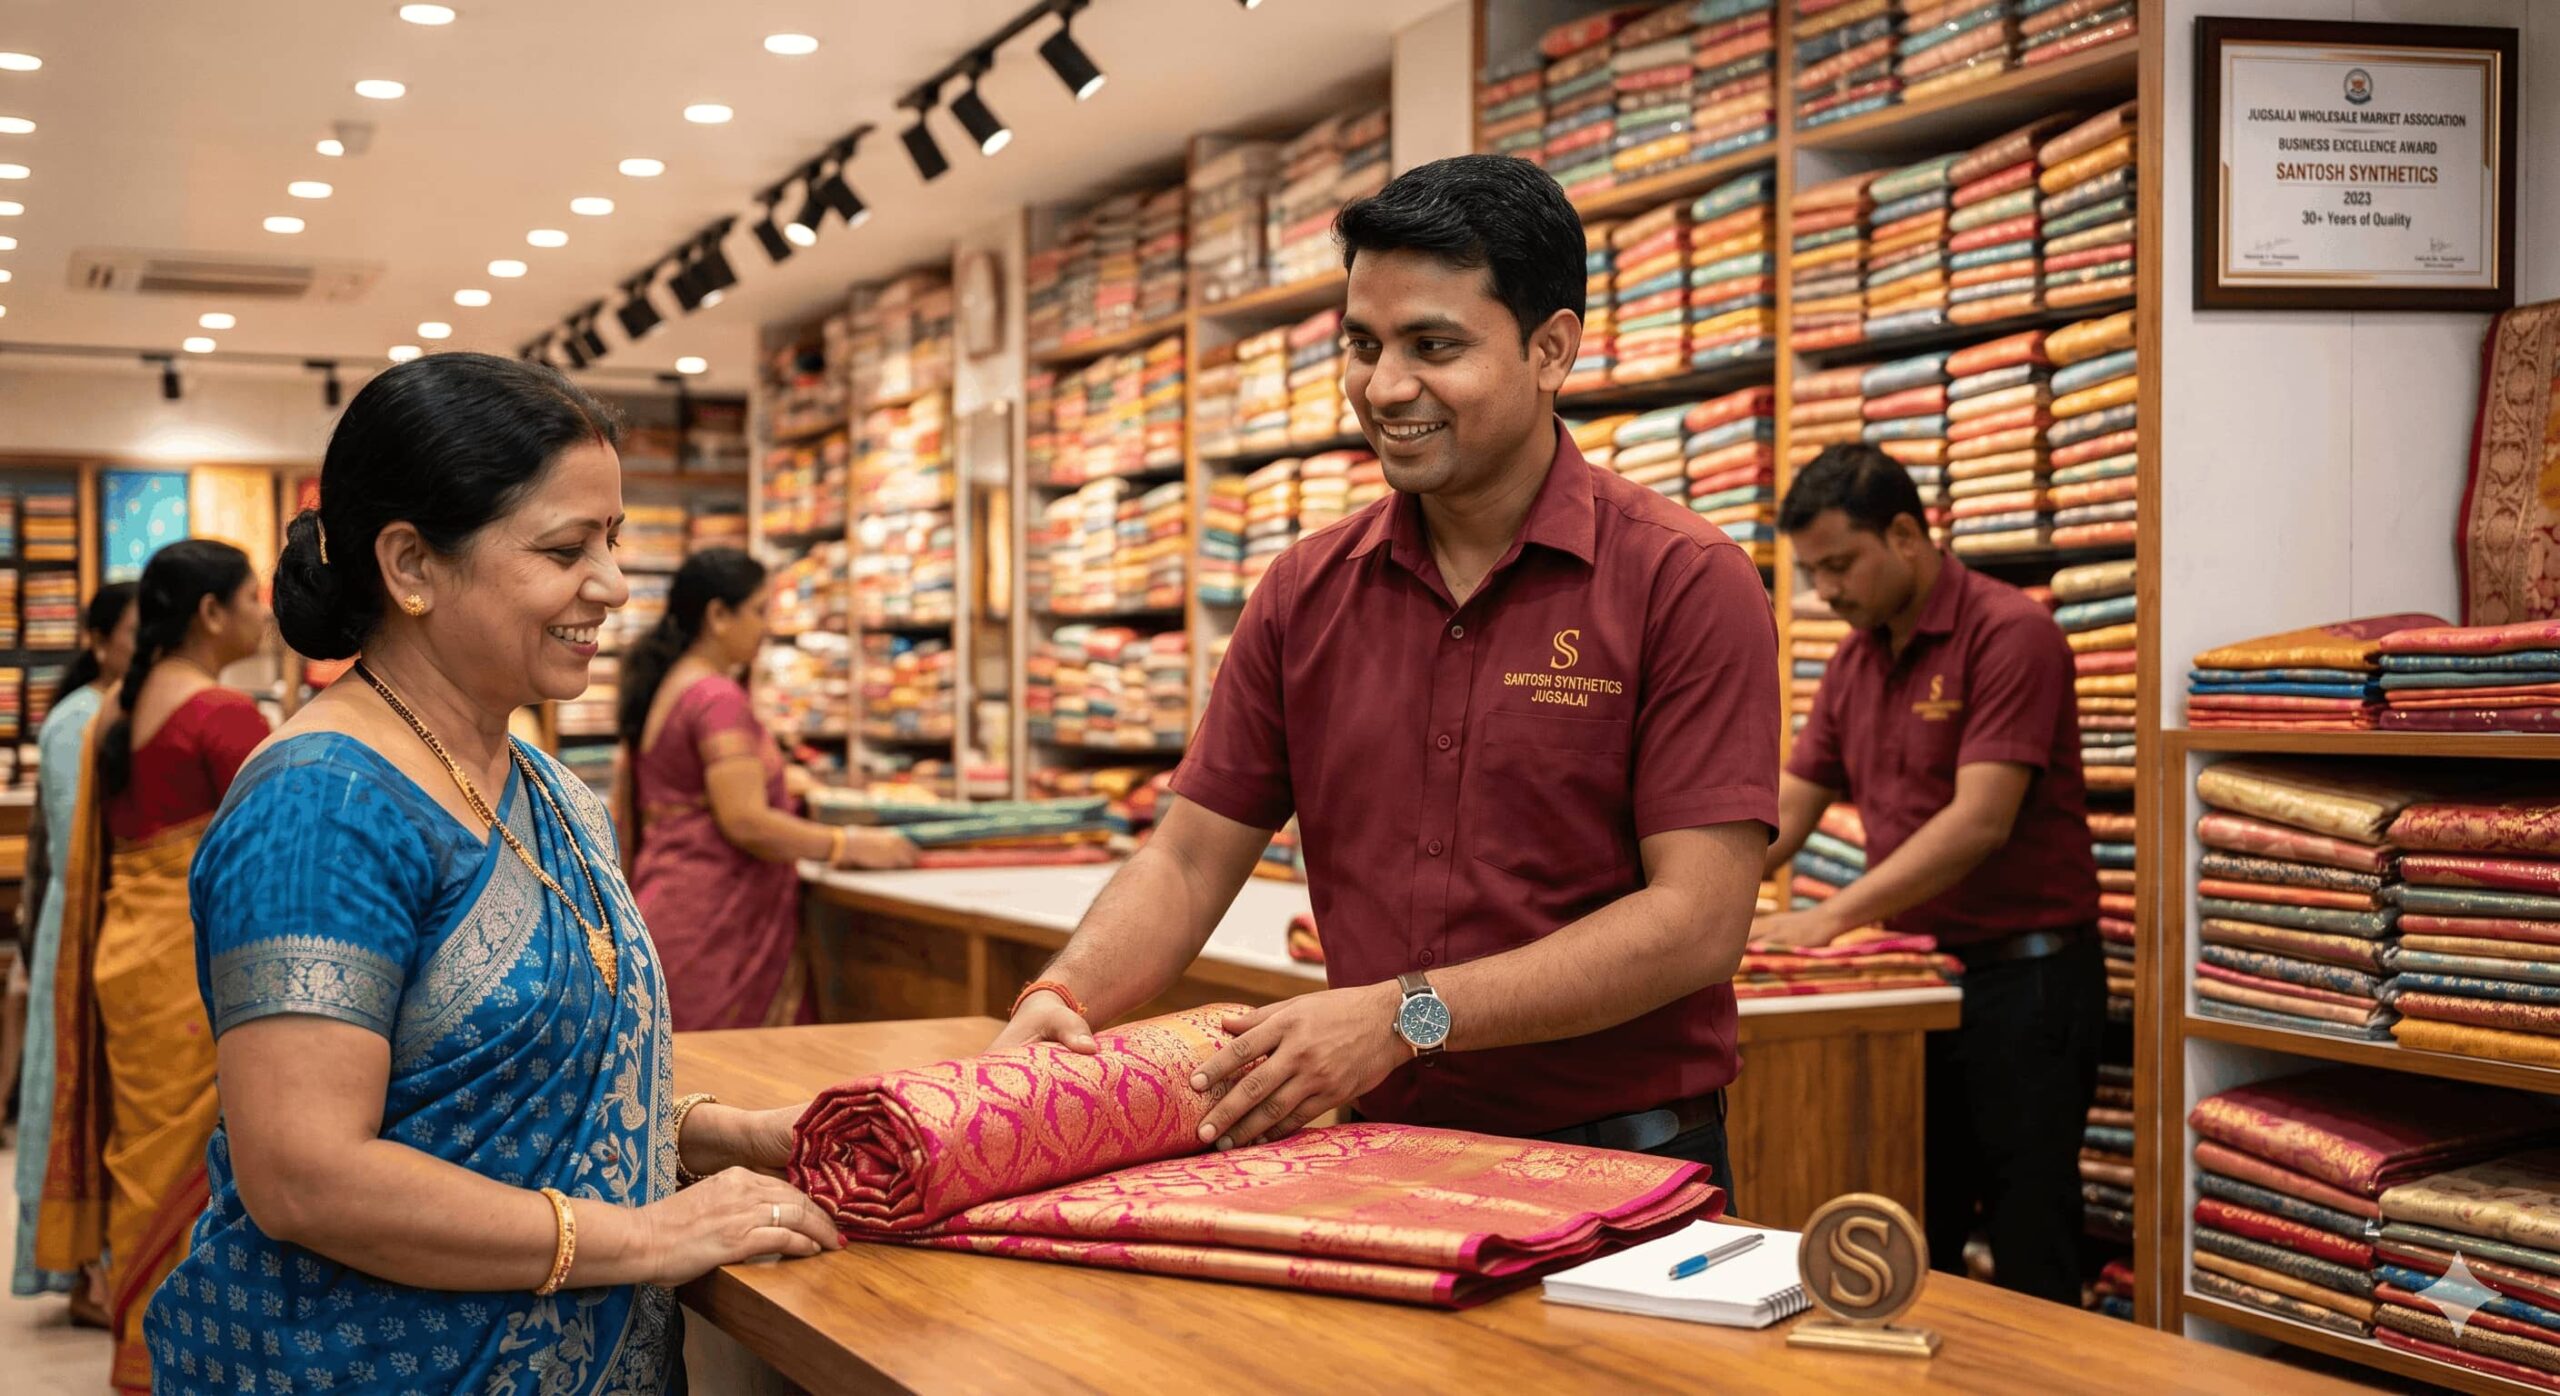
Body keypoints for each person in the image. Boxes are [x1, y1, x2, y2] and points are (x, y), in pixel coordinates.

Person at [991, 156, 1778, 1186]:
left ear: (1552, 349)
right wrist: (1067, 994)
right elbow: (1188, 859)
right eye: (1363, 345)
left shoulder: (1683, 581)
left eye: (1433, 345)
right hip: (1374, 1158)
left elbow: (1696, 923)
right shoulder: (1305, 592)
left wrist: (1407, 1014)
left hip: (1622, 1171)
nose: (1386, 386)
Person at [146, 353, 840, 1394]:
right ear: (412, 566)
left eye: (612, 540)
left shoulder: (552, 792)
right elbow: (304, 1175)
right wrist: (646, 1241)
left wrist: (712, 1134)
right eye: (565, 548)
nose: (610, 585)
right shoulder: (323, 807)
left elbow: (529, 1074)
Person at [1755, 444, 2102, 1304]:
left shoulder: (2010, 633)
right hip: (1918, 985)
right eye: (1812, 572)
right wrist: (1681, 891)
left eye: (1840, 564)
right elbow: (1785, 813)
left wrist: (1829, 919)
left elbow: (1979, 821)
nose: (1825, 591)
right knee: (1918, 1224)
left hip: (2025, 981)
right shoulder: (1855, 660)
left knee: (2030, 1233)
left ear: (1906, 535)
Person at [36, 541, 270, 1392]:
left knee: (149, 1162)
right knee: (205, 1161)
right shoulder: (224, 717)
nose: (265, 611)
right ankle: (197, 1353)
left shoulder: (113, 713)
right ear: (212, 613)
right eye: (253, 596)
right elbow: (272, 853)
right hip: (194, 968)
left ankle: (142, 1348)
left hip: (127, 962)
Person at [620, 547, 914, 1031]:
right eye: (759, 611)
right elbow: (745, 821)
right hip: (712, 926)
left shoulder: (672, 684)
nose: (766, 627)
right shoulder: (716, 696)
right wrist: (849, 844)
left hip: (676, 906)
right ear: (718, 615)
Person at [10, 580, 135, 1317]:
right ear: (96, 639)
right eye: (131, 629)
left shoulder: (124, 710)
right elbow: (77, 842)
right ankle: (86, 1271)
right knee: (76, 1084)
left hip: (113, 919)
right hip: (83, 924)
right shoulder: (75, 721)